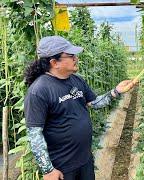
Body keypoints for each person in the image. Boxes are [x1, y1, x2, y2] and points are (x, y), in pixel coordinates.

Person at [24, 36, 134, 180]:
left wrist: (116, 91)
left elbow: (93, 103)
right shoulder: (39, 91)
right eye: (71, 55)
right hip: (62, 168)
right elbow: (34, 135)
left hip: (85, 160)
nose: (76, 58)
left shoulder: (76, 80)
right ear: (54, 62)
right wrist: (48, 170)